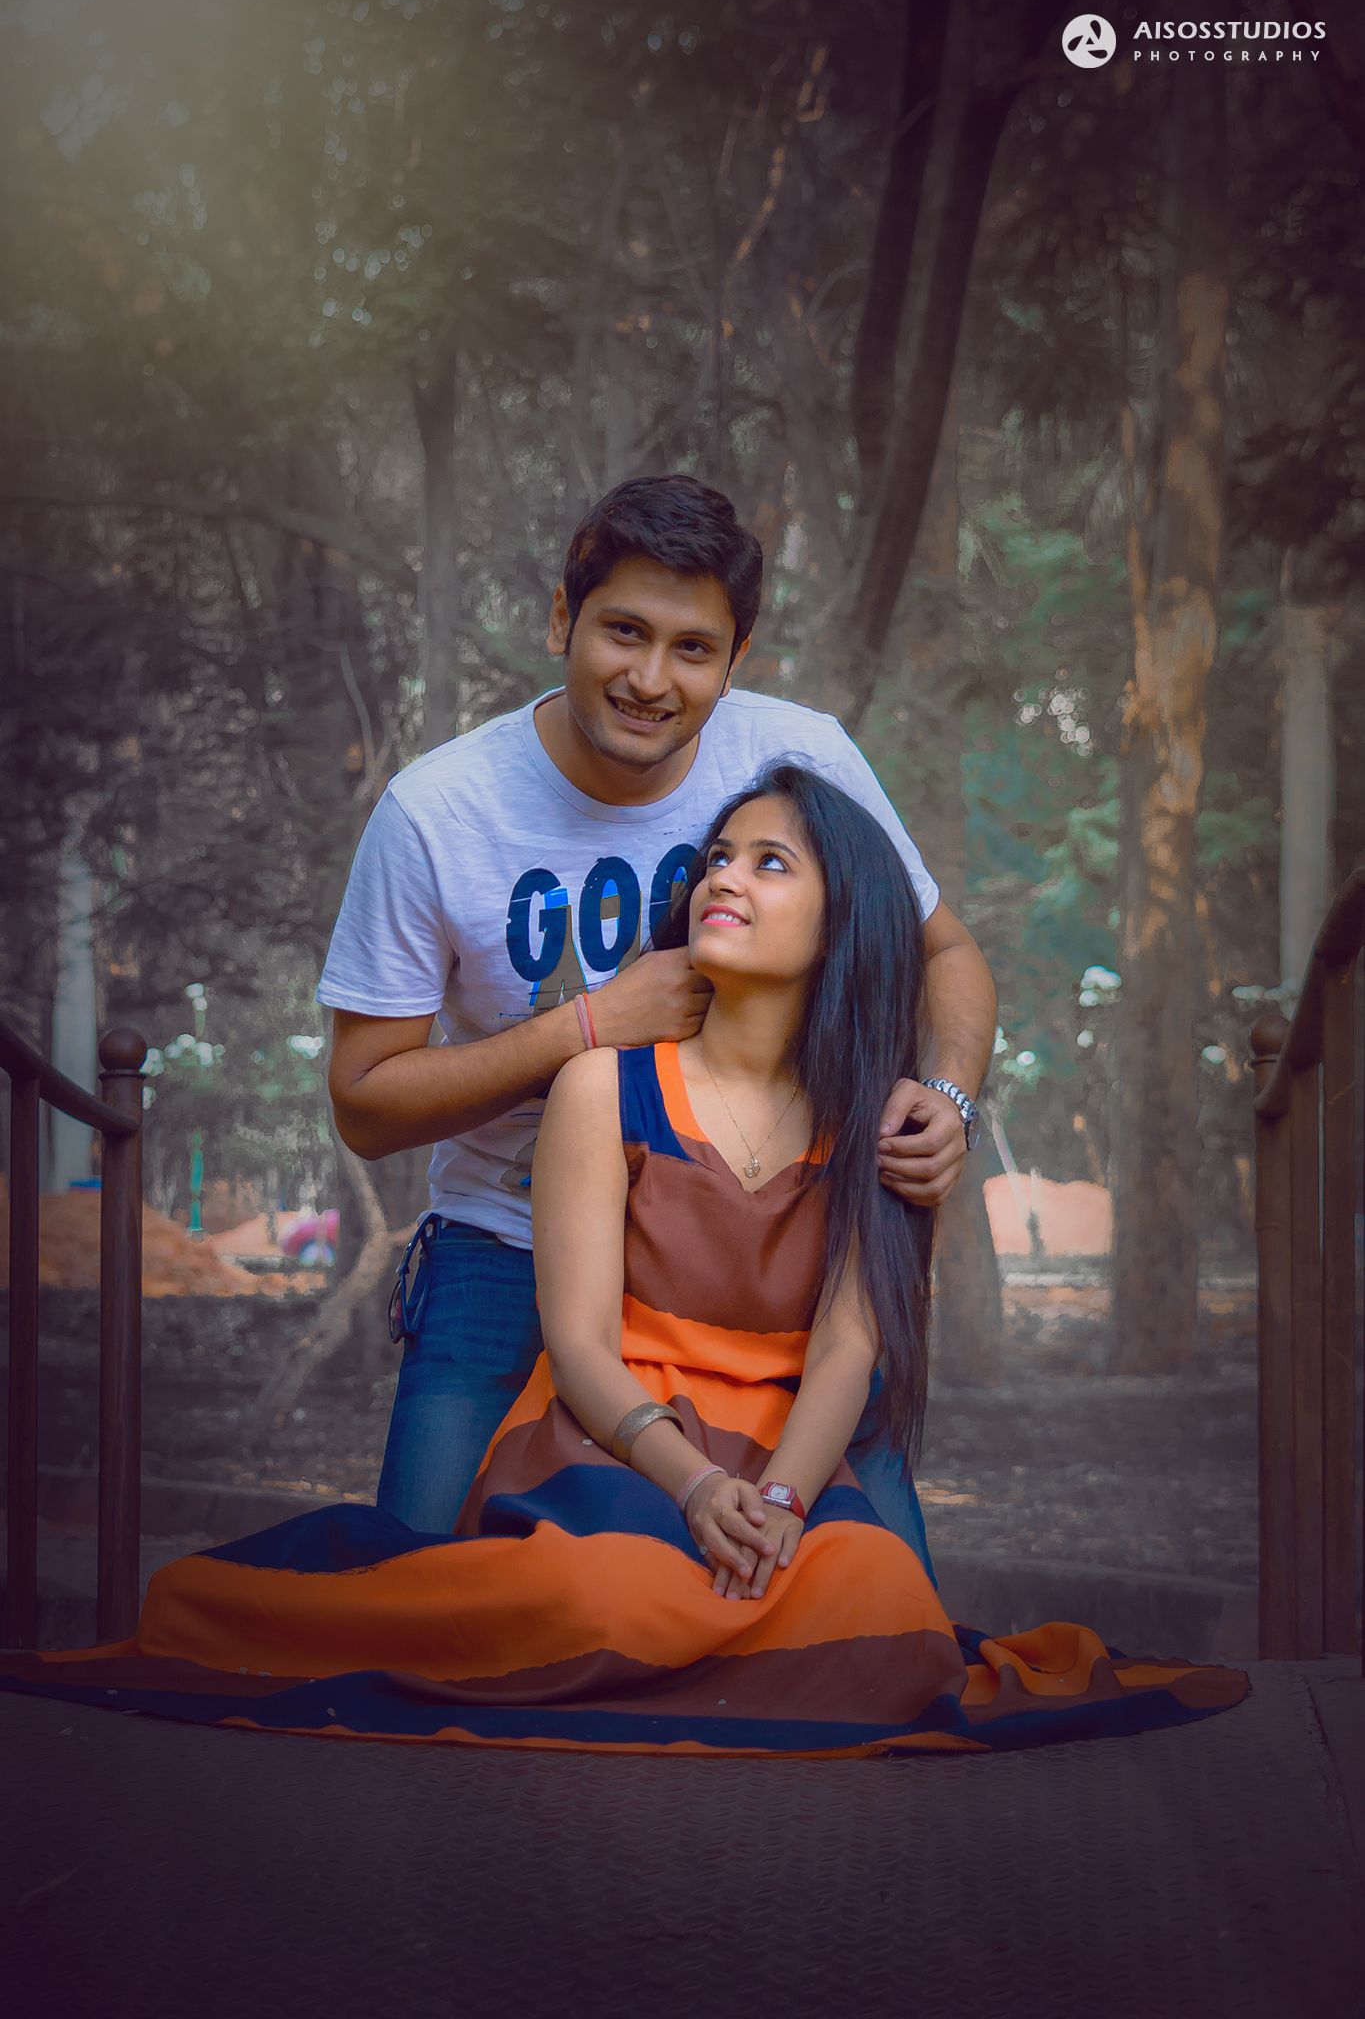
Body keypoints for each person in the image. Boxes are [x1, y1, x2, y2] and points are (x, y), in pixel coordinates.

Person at [0, 766, 1250, 1757]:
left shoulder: (881, 1117)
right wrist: (695, 1487)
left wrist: (778, 1506)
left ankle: (712, 1637)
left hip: (781, 1456)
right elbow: (583, 1347)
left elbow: (850, 1346)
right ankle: (679, 1644)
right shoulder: (604, 1086)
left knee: (883, 1599)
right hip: (618, 1441)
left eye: (771, 862)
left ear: (844, 920)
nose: (726, 877)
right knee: (605, 1597)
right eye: (719, 856)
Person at [316, 474, 998, 1578]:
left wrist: (950, 1096)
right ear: (562, 619)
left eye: (692, 649)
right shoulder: (437, 814)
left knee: (880, 1599)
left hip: (753, 1263)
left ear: (736, 660)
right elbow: (362, 1104)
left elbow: (944, 952)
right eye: (623, 632)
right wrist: (587, 1026)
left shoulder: (798, 758)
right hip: (510, 1240)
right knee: (416, 1588)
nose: (649, 679)